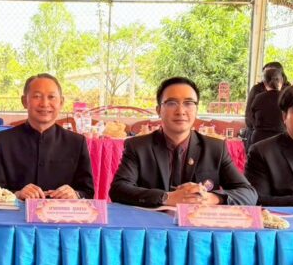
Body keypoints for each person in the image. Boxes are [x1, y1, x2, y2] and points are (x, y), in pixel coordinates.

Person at [109, 76, 256, 207]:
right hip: (152, 225)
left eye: (188, 103)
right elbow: (118, 189)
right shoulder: (138, 146)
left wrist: (211, 198)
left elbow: (248, 193)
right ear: (158, 110)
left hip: (198, 225)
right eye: (171, 103)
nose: (180, 111)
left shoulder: (215, 148)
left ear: (196, 109)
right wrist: (166, 197)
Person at [0, 74, 94, 200]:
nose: (44, 104)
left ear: (61, 102)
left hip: (61, 213)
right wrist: (17, 194)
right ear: (24, 101)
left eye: (51, 97)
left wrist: (75, 195)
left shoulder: (76, 143)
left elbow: (87, 192)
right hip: (16, 212)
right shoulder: (1, 142)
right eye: (37, 96)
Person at [245, 61, 287, 143]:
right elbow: (249, 114)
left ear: (281, 77)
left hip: (281, 134)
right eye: (267, 74)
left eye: (274, 74)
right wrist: (258, 128)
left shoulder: (288, 91)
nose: (271, 77)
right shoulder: (257, 90)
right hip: (259, 133)